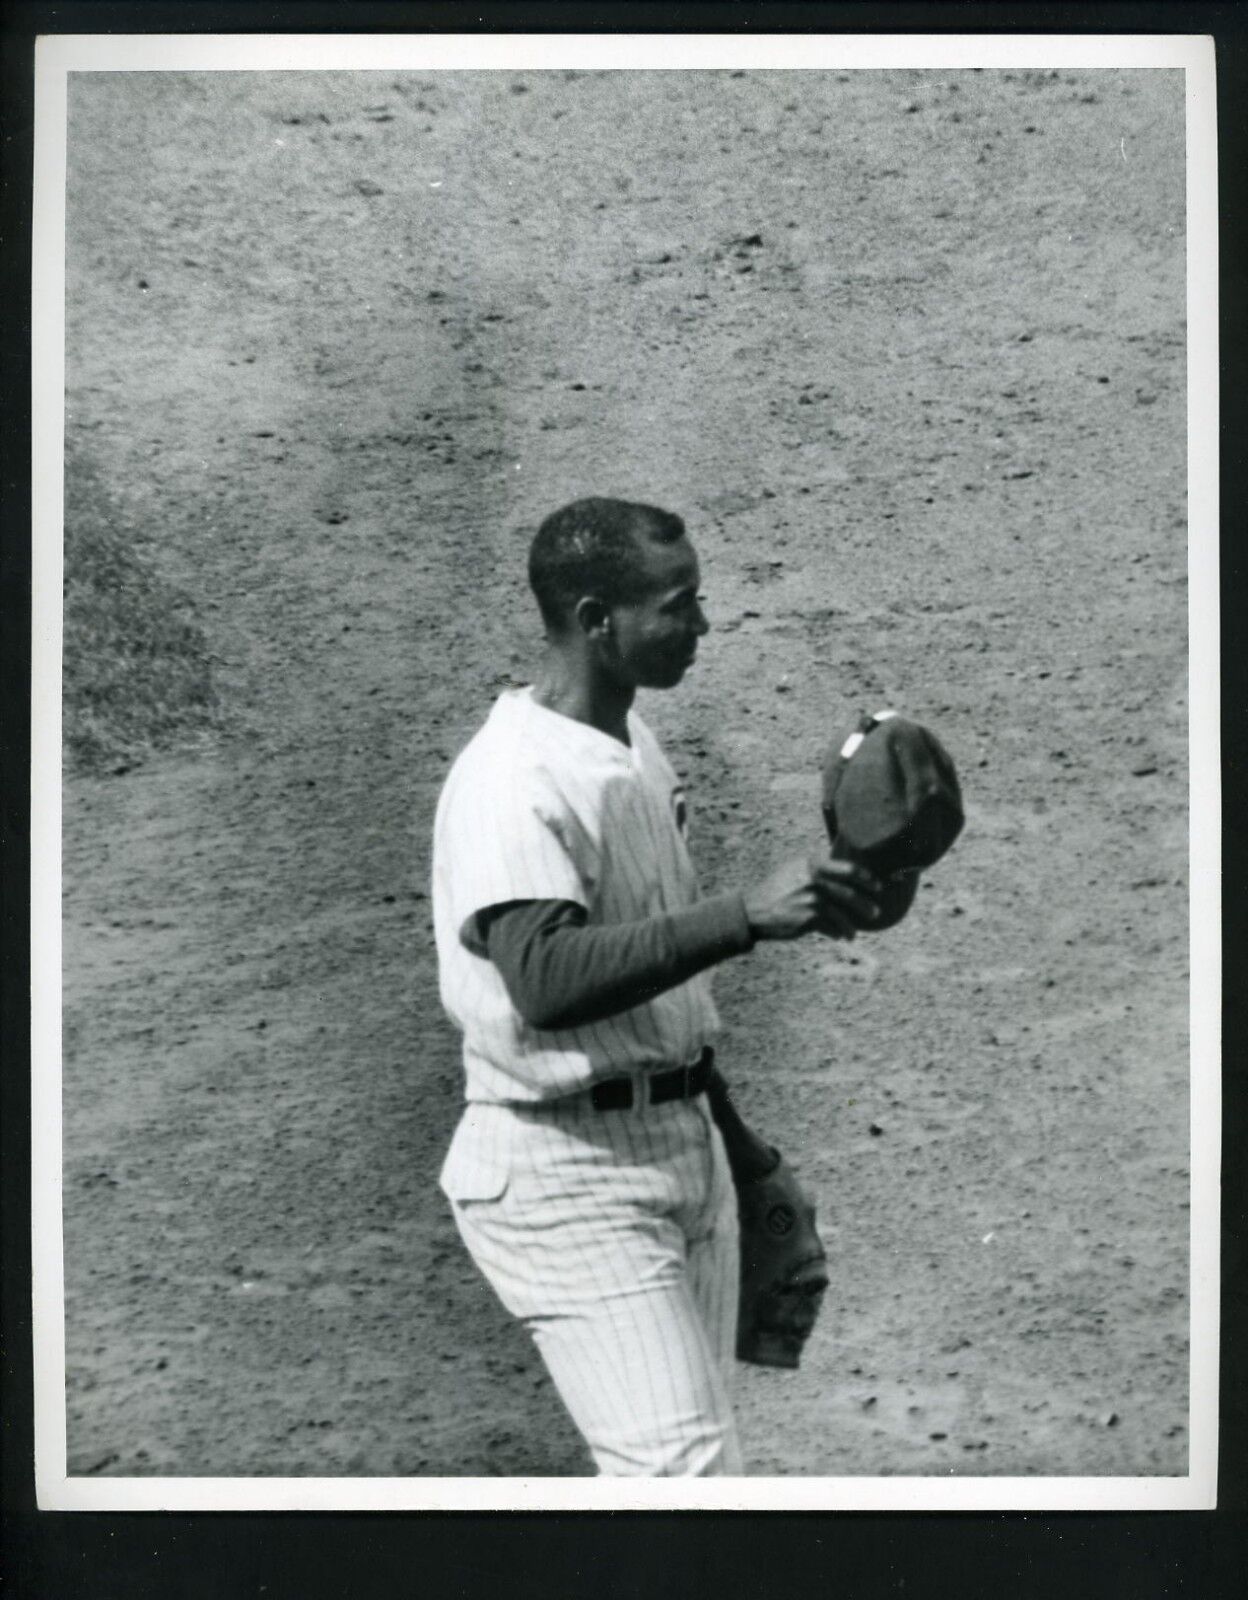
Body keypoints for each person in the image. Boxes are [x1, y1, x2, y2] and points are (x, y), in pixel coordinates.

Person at [432, 496, 881, 1476]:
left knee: (694, 1477)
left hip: (681, 1148)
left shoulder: (633, 745)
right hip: (565, 1172)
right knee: (683, 1482)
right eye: (680, 605)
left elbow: (659, 1009)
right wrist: (742, 915)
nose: (703, 625)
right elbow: (543, 979)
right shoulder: (512, 778)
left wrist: (744, 1149)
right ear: (598, 619)